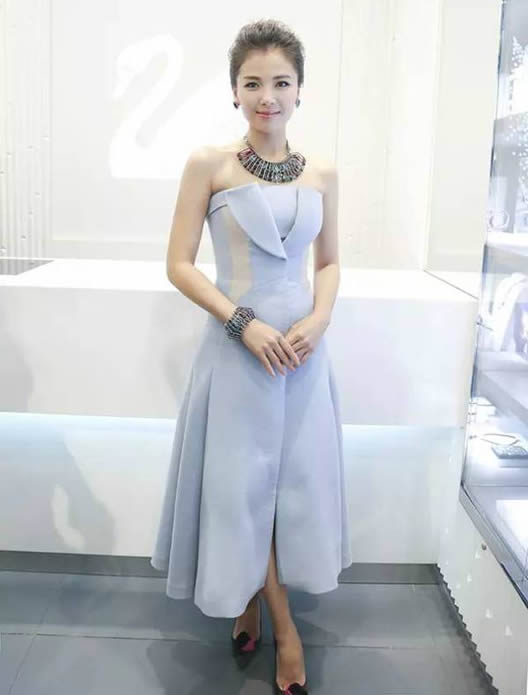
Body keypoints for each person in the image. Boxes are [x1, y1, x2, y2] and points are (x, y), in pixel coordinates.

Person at [150, 18, 352, 695]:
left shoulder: (322, 173)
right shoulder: (208, 165)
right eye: (254, 83)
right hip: (238, 355)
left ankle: (249, 600)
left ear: (300, 90)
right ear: (234, 91)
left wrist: (319, 318)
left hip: (302, 356)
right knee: (242, 491)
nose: (268, 97)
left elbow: (329, 262)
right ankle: (286, 632)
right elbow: (179, 264)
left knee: (288, 490)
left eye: (281, 83)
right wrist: (242, 323)